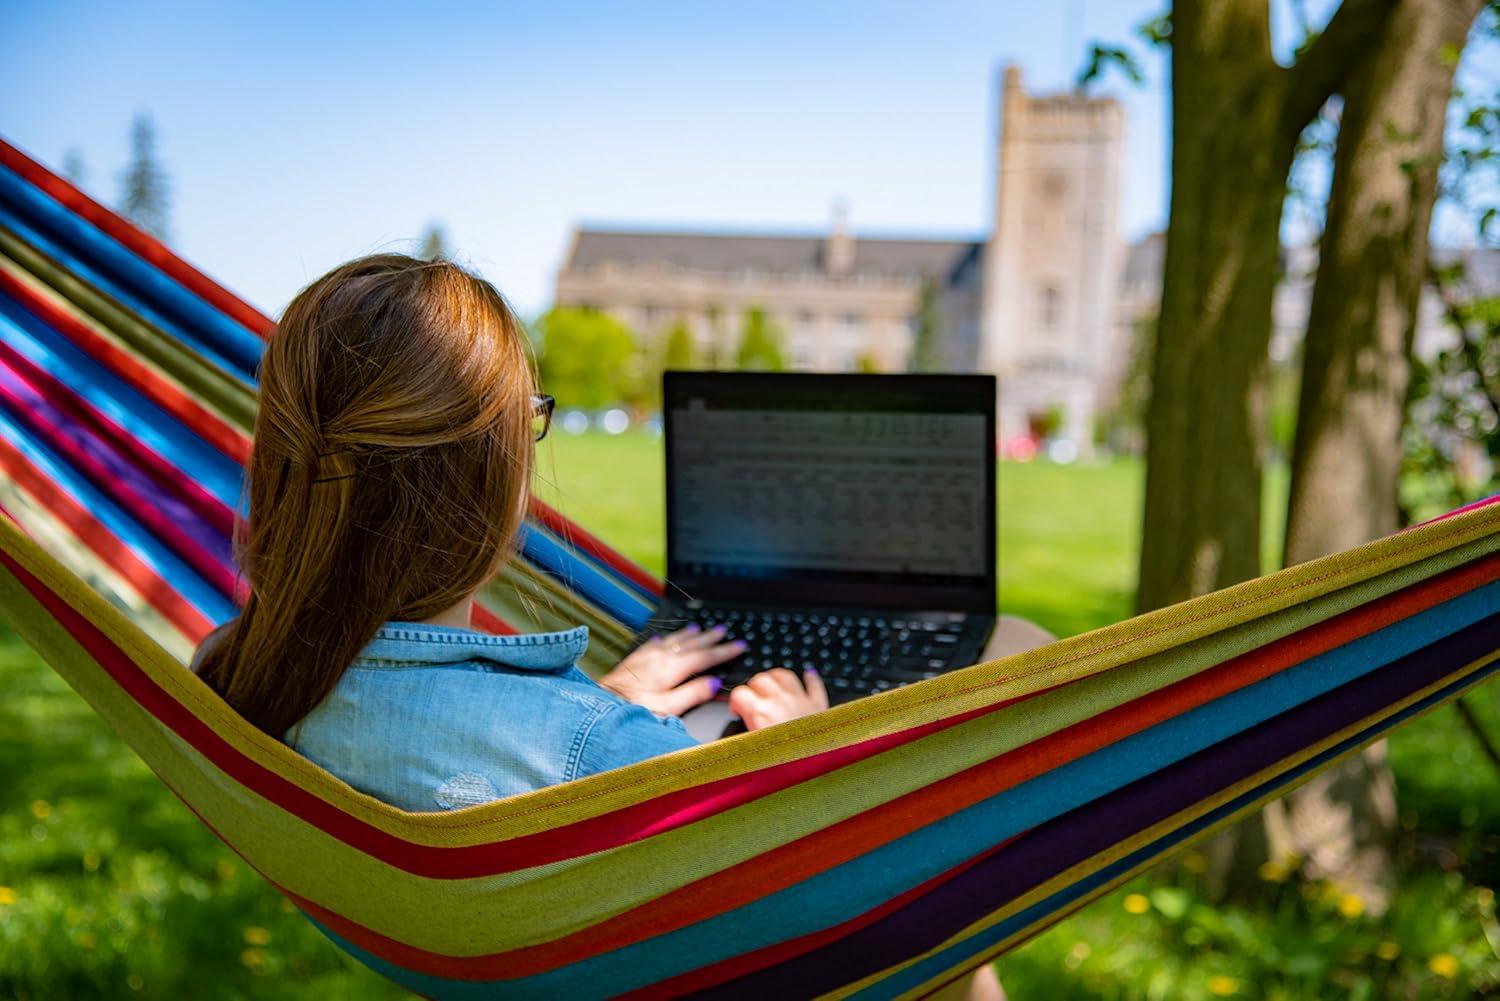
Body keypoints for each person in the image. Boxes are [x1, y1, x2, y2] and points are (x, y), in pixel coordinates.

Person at [192, 253, 1005, 999]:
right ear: (497, 480)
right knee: (972, 920)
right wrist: (815, 752)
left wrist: (595, 711)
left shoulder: (242, 675)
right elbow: (819, 887)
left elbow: (490, 758)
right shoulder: (607, 750)